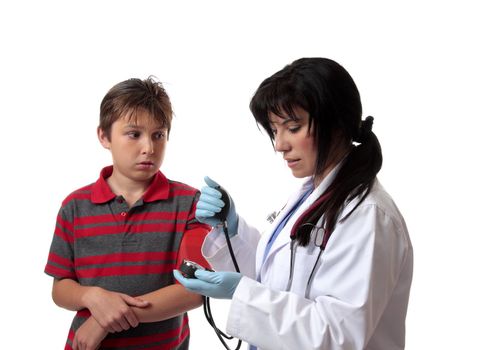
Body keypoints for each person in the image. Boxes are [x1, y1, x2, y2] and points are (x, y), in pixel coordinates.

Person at [174, 58, 413, 350]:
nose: (280, 144)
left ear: (336, 123)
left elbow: (339, 336)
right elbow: (276, 283)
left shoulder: (368, 216)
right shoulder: (311, 196)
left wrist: (241, 292)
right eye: (275, 130)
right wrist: (231, 232)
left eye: (293, 127)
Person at [45, 77, 211, 350]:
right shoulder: (74, 206)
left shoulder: (189, 203)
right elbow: (61, 288)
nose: (149, 148)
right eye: (134, 134)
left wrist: (104, 320)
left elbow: (192, 291)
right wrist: (92, 296)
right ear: (104, 136)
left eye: (158, 135)